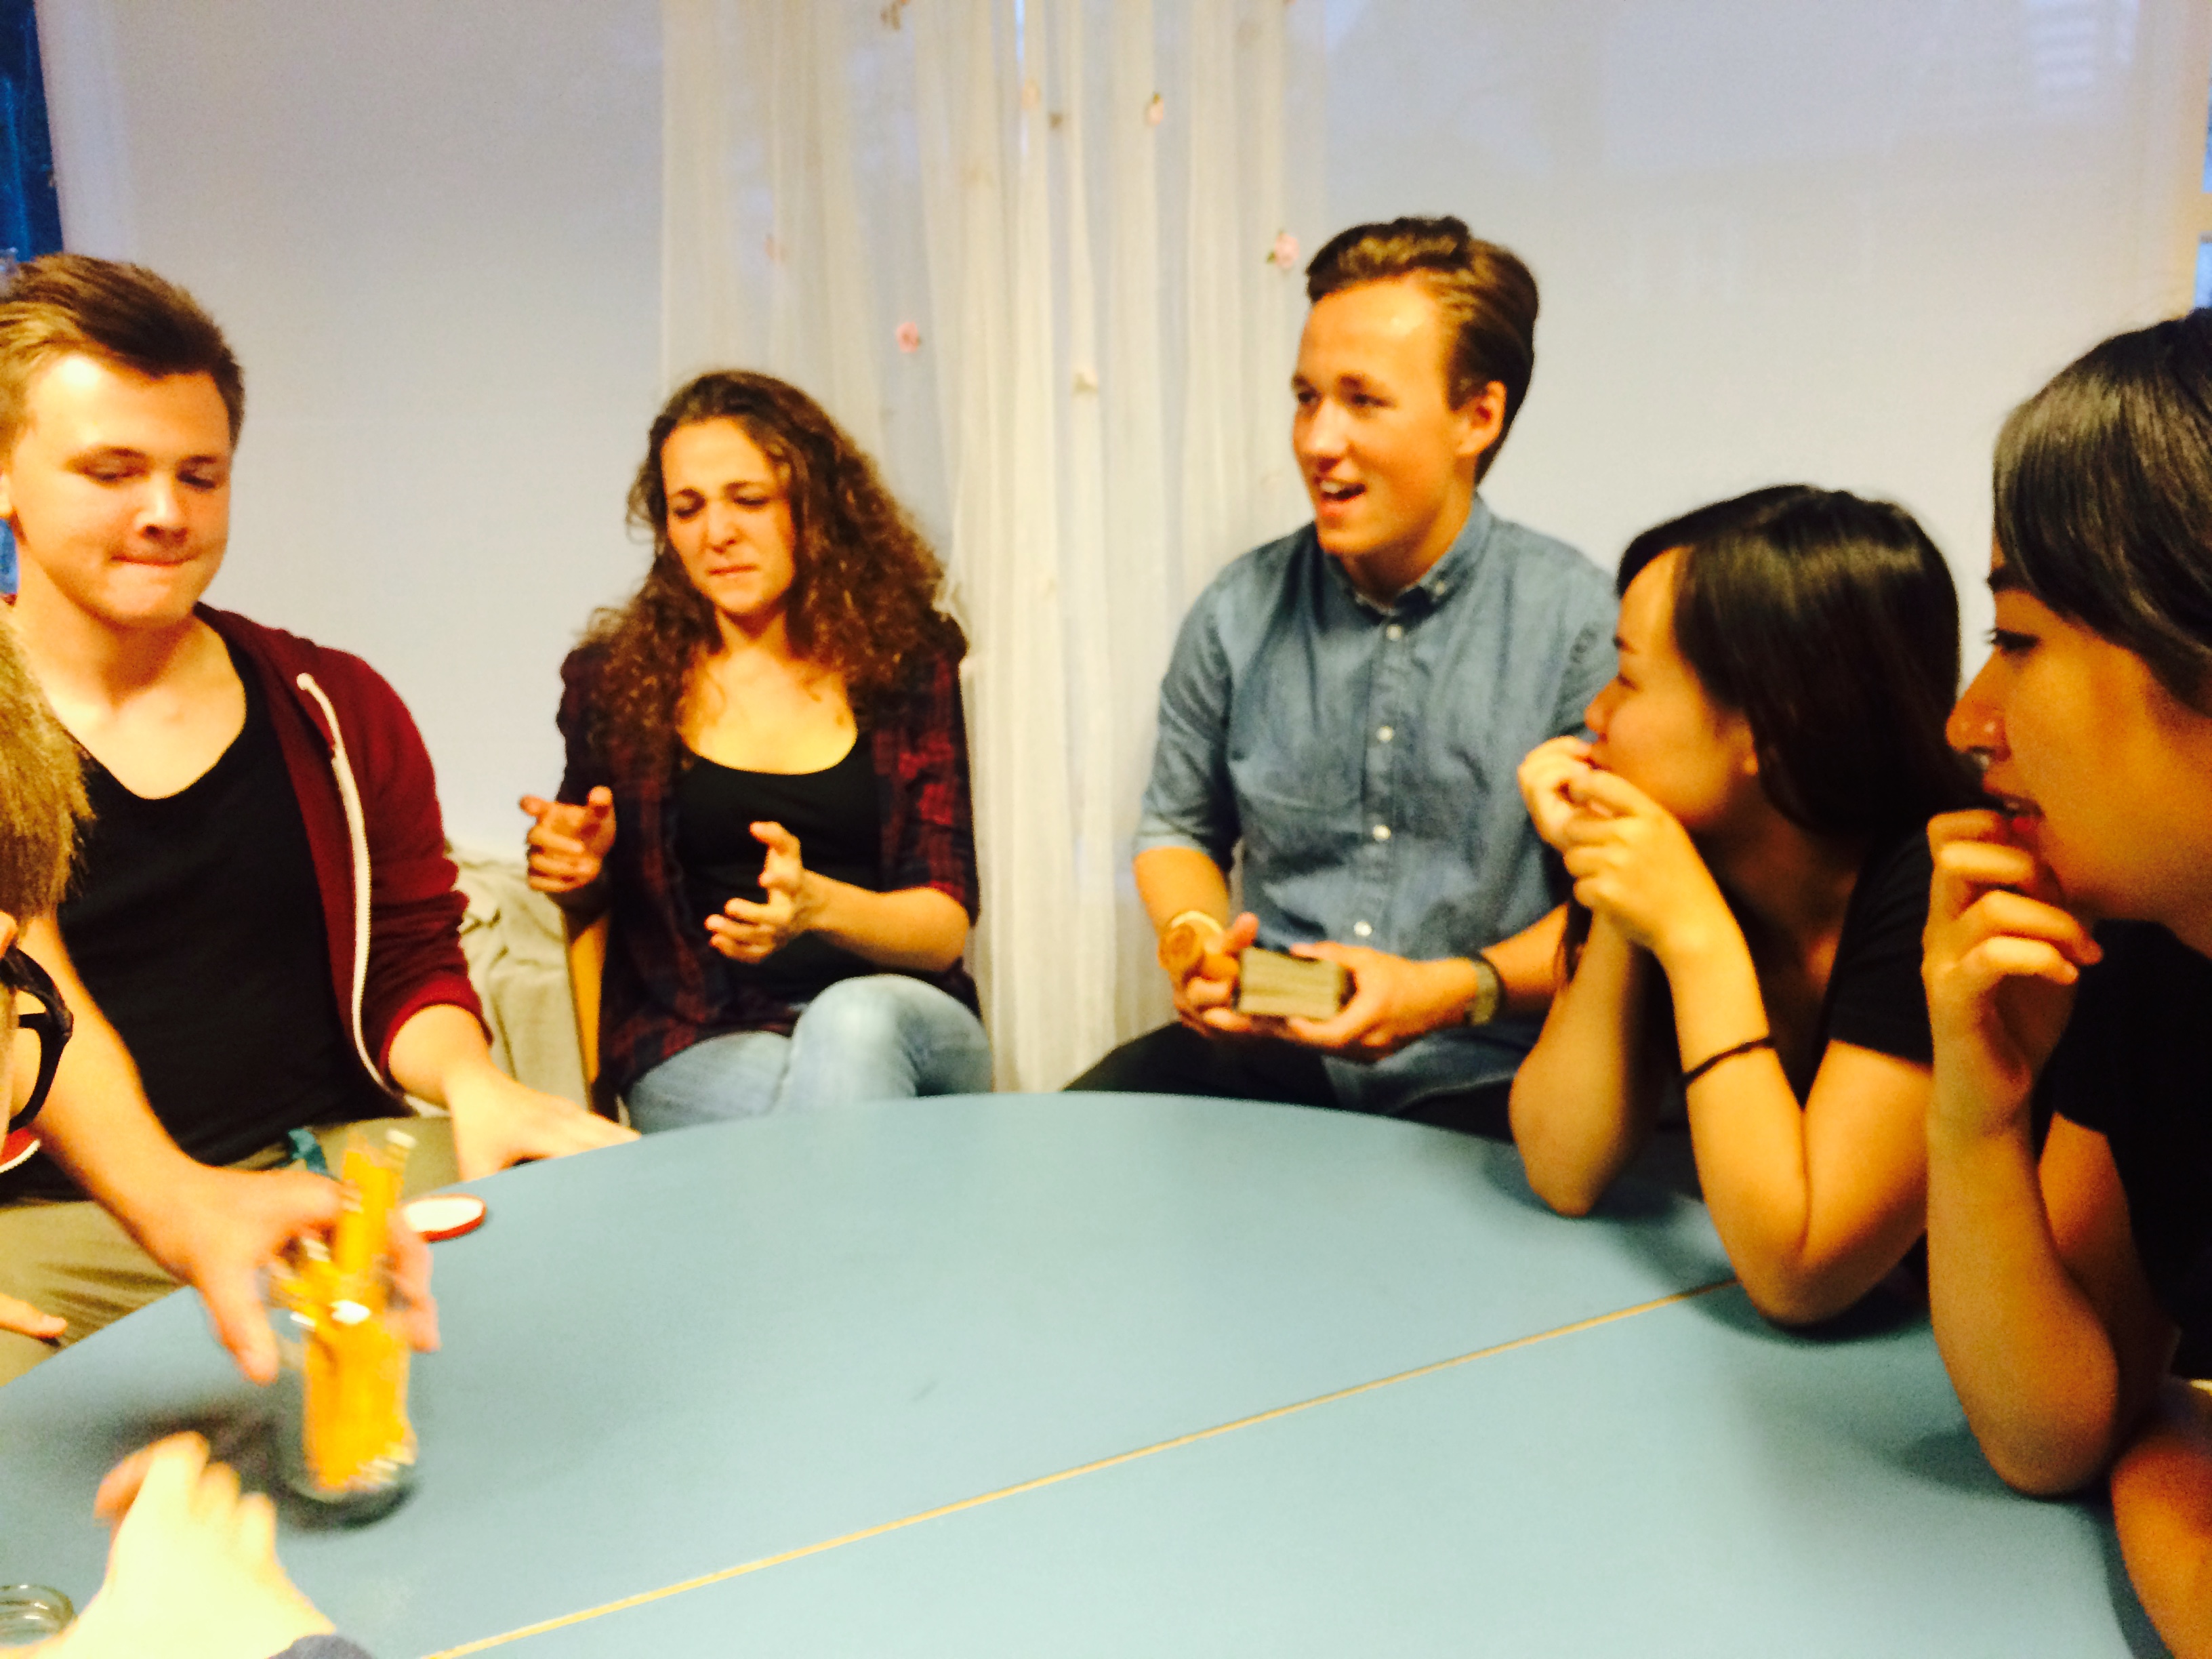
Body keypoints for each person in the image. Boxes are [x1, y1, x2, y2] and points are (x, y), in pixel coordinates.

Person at [0, 253, 628, 1387]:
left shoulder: (331, 705)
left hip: (329, 1165)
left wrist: (475, 1083)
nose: (165, 513)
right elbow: (35, 994)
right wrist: (181, 1204)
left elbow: (409, 959)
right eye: (112, 470)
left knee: (591, 1270)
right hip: (65, 1221)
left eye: (200, 475)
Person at [1066, 216, 1615, 1125]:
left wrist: (1452, 990)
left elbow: (1618, 914)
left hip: (1492, 1075)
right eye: (1306, 397)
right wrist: (1195, 939)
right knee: (1066, 1151)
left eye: (1363, 401)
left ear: (1477, 416)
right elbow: (1176, 827)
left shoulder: (1584, 628)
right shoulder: (1238, 609)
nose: (1319, 441)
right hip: (1272, 1053)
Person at [1509, 487, 1977, 1324]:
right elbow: (1560, 1164)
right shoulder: (1697, 844)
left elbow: (1801, 1274)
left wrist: (1696, 937)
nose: (1595, 714)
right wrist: (1617, 889)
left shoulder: (1941, 883)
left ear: (1772, 724)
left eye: (1628, 678)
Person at [1922, 310, 2212, 1658]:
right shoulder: (2150, 957)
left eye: (2019, 638)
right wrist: (1976, 1111)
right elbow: (2051, 1431)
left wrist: (2168, 1474)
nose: (1968, 721)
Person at [523, 371, 989, 1127]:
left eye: (748, 500)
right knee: (820, 1108)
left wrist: (817, 906)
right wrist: (578, 867)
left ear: (814, 506)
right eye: (688, 508)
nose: (718, 533)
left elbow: (941, 929)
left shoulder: (907, 662)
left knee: (851, 1027)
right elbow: (590, 895)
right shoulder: (616, 682)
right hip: (698, 1035)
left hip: (902, 1017)